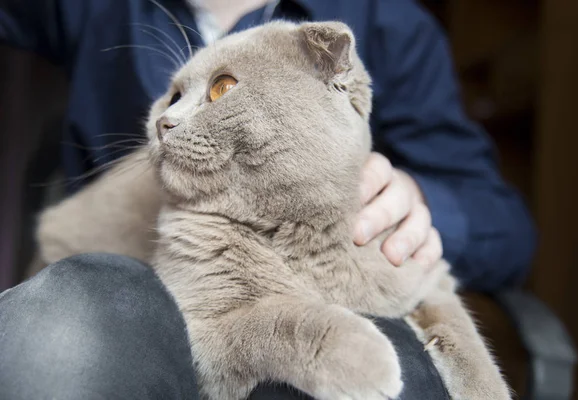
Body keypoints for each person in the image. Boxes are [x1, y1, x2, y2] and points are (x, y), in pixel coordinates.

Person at [0, 0, 536, 399]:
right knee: (60, 332)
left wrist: (418, 203)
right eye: (174, 97)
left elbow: (506, 226)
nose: (167, 118)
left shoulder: (386, 20)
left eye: (217, 90)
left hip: (342, 272)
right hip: (119, 295)